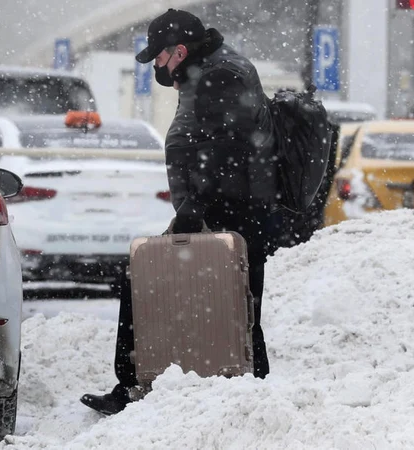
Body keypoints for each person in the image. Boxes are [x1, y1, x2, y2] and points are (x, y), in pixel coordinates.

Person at [81, 8, 277, 415]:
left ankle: (139, 383)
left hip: (227, 210)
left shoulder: (220, 75)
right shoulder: (208, 71)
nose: (157, 65)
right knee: (237, 300)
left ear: (181, 50)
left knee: (154, 280)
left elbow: (226, 151)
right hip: (223, 207)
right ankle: (246, 387)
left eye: (160, 56)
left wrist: (194, 208)